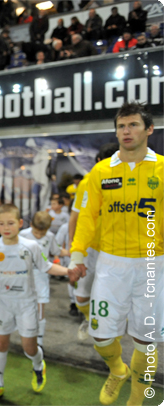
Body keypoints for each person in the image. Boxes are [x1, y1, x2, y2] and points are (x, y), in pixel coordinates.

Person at [69, 102, 162, 406]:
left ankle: (136, 401)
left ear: (149, 129)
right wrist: (77, 255)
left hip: (154, 264)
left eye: (133, 124)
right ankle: (117, 370)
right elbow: (86, 217)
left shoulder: (162, 168)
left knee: (145, 340)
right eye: (121, 126)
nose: (126, 131)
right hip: (111, 263)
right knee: (101, 335)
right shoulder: (101, 171)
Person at [0, 204, 73, 404]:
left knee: (29, 348)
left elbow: (47, 266)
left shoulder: (31, 246)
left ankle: (38, 365)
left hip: (27, 304)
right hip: (3, 304)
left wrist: (69, 271)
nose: (6, 227)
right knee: (0, 342)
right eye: (2, 224)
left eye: (10, 223)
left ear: (20, 223)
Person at [68, 143, 119, 341]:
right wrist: (72, 247)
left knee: (114, 296)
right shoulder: (87, 182)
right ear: (98, 162)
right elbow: (76, 216)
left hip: (115, 249)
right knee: (81, 297)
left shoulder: (127, 180)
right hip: (89, 248)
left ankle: (110, 334)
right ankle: (89, 318)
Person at [19, 212, 63, 347]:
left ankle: (39, 341)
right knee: (24, 307)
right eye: (36, 232)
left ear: (48, 229)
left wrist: (74, 252)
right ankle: (26, 336)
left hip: (41, 276)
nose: (38, 236)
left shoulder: (50, 236)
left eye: (42, 233)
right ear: (31, 225)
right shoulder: (23, 235)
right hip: (23, 276)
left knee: (40, 308)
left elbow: (57, 251)